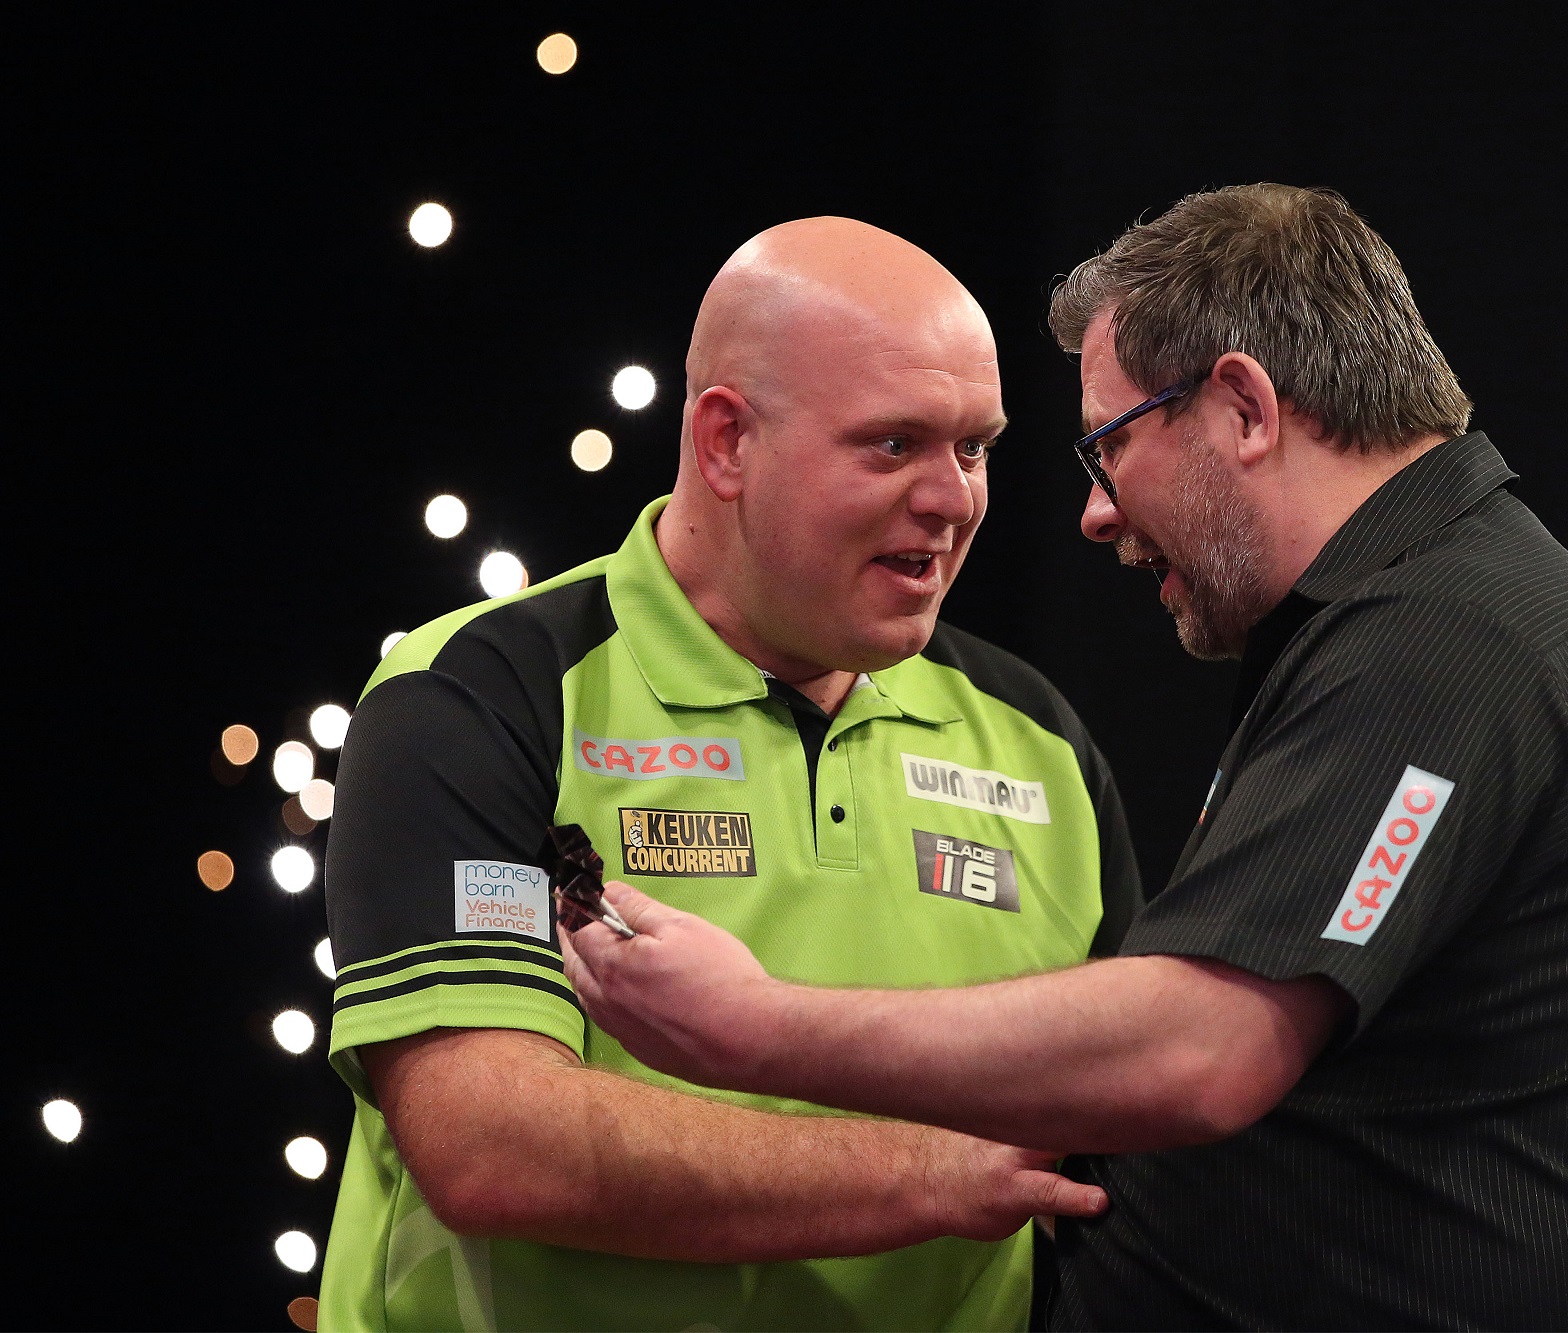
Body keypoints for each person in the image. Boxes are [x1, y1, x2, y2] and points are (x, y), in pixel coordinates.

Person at [565, 184, 1568, 1330]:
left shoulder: (1443, 637)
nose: (1094, 513)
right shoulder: (1435, 614)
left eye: (1108, 446)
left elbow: (1206, 1047)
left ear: (1243, 408)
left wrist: (754, 1026)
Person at [318, 216, 1143, 1332]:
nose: (953, 500)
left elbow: (1134, 1133)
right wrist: (940, 1176)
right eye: (893, 444)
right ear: (726, 442)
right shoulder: (483, 693)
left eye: (973, 448)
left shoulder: (1038, 739)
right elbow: (491, 1144)